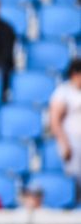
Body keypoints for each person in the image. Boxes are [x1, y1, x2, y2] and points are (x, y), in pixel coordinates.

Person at [49, 58, 81, 187]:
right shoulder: (63, 92)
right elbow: (55, 120)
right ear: (75, 74)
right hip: (73, 142)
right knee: (75, 180)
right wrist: (64, 143)